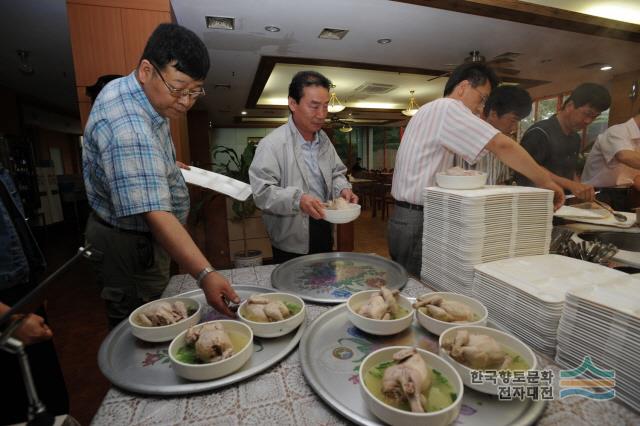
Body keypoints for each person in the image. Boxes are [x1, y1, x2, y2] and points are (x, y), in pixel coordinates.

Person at [82, 23, 239, 329]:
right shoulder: (128, 128)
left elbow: (145, 150)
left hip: (140, 236)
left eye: (195, 91)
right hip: (126, 241)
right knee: (144, 323)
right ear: (145, 71)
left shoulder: (143, 96)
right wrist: (206, 274)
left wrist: (163, 163)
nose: (186, 101)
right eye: (179, 89)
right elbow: (156, 214)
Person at [388, 63, 564, 277]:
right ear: (463, 87)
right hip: (417, 219)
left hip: (409, 216)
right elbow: (502, 145)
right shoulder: (448, 108)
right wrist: (547, 182)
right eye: (481, 98)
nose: (481, 108)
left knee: (411, 284)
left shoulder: (430, 109)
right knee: (417, 287)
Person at [249, 71, 358, 263]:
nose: (321, 114)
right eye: (314, 106)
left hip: (324, 222)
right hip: (291, 235)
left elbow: (336, 173)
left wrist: (343, 188)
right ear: (293, 103)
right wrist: (298, 200)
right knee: (293, 289)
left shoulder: (324, 140)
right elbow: (262, 192)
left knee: (325, 282)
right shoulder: (273, 144)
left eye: (325, 107)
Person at [0, 166, 69, 424]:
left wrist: (34, 289)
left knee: (52, 400)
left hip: (22, 294)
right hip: (6, 314)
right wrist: (8, 320)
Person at [514, 83, 611, 201]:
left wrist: (580, 187)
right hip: (534, 202)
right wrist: (569, 184)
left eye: (594, 117)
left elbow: (570, 170)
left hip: (562, 203)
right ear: (570, 105)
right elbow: (529, 167)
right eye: (587, 114)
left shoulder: (575, 137)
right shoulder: (540, 132)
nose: (588, 121)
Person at [453, 85, 533, 184]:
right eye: (513, 121)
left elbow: (502, 180)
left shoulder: (506, 139)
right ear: (493, 114)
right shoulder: (465, 133)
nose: (514, 128)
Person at [582, 112, 640, 191]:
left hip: (624, 193)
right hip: (596, 193)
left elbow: (634, 177)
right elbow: (625, 156)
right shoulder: (617, 131)